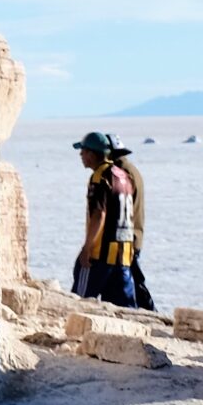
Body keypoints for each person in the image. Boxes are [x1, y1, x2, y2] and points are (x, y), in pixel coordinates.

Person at [70, 130, 153, 308]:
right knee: (125, 309)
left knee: (79, 303)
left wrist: (87, 248)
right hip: (122, 254)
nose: (81, 155)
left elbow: (99, 214)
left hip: (100, 254)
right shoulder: (123, 176)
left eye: (83, 151)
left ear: (92, 154)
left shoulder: (100, 177)